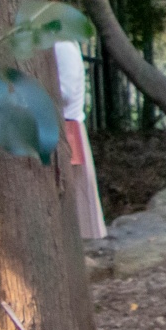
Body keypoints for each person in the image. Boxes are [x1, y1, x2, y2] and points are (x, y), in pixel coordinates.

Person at [52, 40, 106, 240]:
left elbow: (64, 94)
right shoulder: (57, 44)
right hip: (59, 124)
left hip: (67, 127)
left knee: (71, 188)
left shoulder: (63, 45)